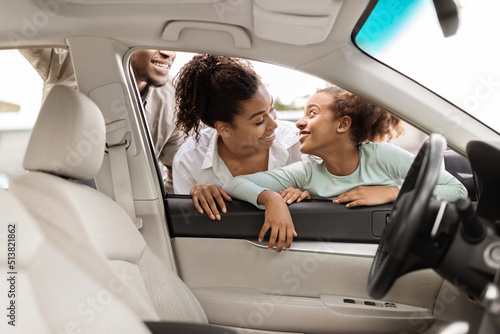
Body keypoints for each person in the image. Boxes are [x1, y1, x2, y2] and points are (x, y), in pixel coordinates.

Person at [223, 86, 468, 253]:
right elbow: (234, 184)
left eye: (312, 113)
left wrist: (392, 192)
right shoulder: (306, 171)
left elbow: (456, 190)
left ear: (343, 124)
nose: (299, 121)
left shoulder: (382, 156)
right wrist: (271, 198)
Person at [18, 48, 184, 192]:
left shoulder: (172, 103)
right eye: (152, 41)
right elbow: (20, 23)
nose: (168, 53)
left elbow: (180, 176)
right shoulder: (73, 61)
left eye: (168, 45)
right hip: (51, 198)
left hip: (125, 217)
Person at [172, 54, 302, 220]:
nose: (274, 125)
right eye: (259, 121)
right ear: (224, 129)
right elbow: (189, 228)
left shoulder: (299, 142)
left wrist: (311, 194)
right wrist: (196, 198)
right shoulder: (189, 161)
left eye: (272, 108)